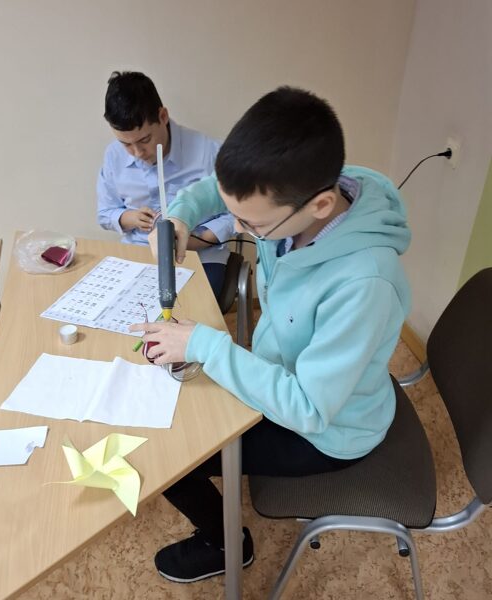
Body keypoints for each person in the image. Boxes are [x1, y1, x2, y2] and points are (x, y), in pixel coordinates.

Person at [130, 86, 411, 583]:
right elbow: (217, 191)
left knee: (174, 455)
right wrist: (180, 217)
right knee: (184, 412)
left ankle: (226, 545)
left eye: (250, 224)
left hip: (327, 430)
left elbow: (308, 409)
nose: (237, 226)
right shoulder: (301, 192)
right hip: (282, 375)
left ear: (321, 205)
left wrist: (206, 346)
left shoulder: (365, 284)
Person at [97, 71, 234, 298]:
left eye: (145, 140)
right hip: (138, 251)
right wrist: (129, 218)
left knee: (189, 309)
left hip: (200, 255)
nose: (137, 152)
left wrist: (202, 239)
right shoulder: (113, 156)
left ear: (163, 116)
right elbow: (105, 212)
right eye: (126, 144)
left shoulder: (208, 151)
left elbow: (236, 213)